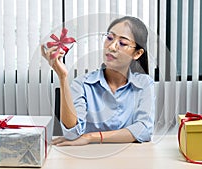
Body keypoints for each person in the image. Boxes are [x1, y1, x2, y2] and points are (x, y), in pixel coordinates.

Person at [41, 16, 155, 146]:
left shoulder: (145, 84)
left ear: (137, 53)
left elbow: (144, 130)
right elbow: (72, 134)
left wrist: (91, 137)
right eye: (109, 38)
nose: (111, 47)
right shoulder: (82, 84)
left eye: (122, 43)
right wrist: (63, 77)